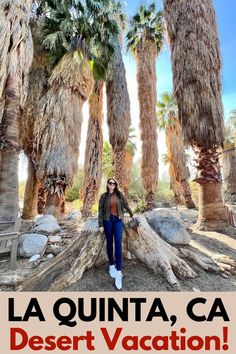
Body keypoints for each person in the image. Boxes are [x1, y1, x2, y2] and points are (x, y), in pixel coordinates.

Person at [98, 177, 134, 290]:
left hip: (118, 220)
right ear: (108, 184)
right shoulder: (103, 196)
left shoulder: (119, 195)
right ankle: (111, 266)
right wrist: (100, 225)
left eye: (114, 183)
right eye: (110, 183)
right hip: (107, 220)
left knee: (118, 243)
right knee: (109, 243)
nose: (112, 184)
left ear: (115, 185)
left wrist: (132, 214)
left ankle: (119, 271)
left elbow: (126, 205)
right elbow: (100, 211)